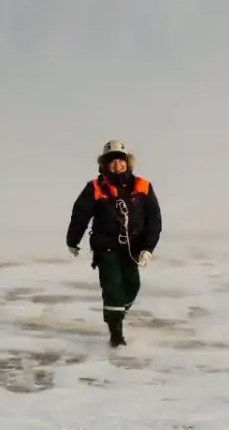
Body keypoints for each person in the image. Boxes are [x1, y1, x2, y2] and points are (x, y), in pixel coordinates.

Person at [65, 139, 162, 347]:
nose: (117, 165)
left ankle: (115, 314)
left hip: (131, 248)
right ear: (104, 164)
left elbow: (154, 220)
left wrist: (148, 248)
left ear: (127, 162)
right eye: (112, 162)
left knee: (132, 286)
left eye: (121, 161)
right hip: (106, 246)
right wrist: (72, 240)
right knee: (113, 289)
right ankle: (116, 335)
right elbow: (80, 215)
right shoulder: (94, 188)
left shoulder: (143, 186)